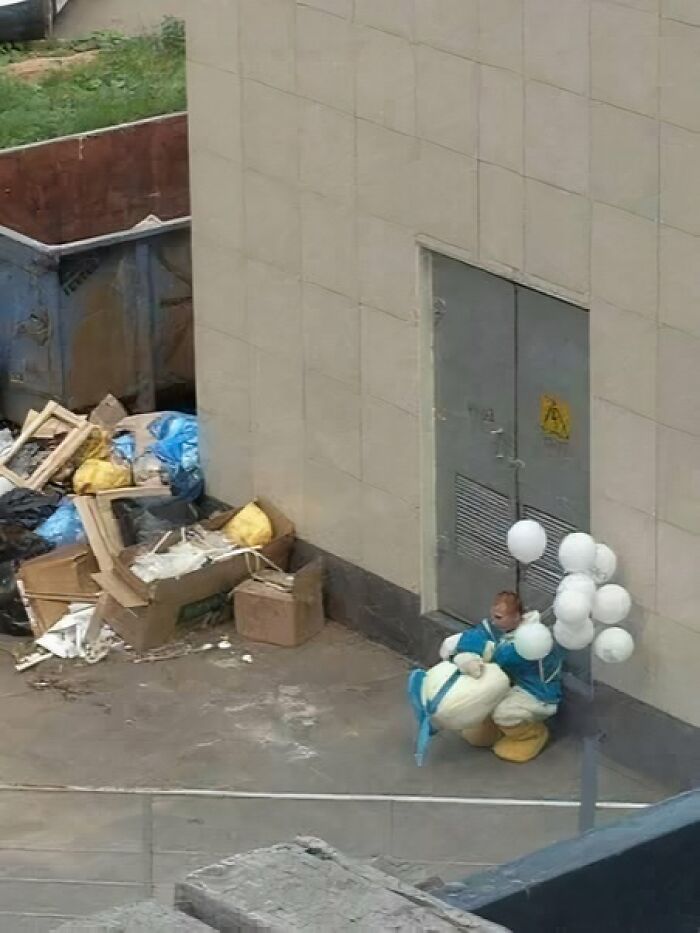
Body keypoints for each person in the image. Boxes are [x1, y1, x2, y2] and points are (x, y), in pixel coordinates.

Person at [440, 591, 564, 763]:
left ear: (516, 617)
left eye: (499, 617)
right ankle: (493, 730)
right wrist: (465, 648)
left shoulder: (532, 638)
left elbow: (503, 656)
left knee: (505, 713)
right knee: (485, 697)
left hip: (536, 692)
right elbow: (479, 634)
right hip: (510, 683)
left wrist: (469, 650)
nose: (493, 621)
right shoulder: (499, 628)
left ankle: (530, 735)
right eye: (493, 616)